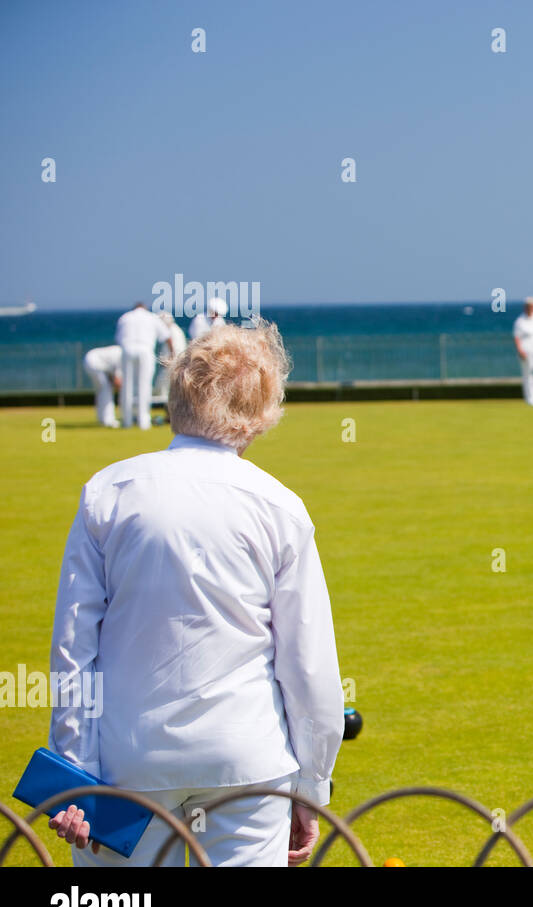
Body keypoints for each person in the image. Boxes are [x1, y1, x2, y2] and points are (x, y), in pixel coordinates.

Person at [47, 320, 343, 867]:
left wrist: (72, 769)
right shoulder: (280, 507)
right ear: (259, 418)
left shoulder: (107, 493)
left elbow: (74, 650)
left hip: (126, 760)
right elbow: (309, 666)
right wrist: (311, 785)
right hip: (246, 761)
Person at [115, 302, 169, 430]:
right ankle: (143, 421)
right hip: (145, 350)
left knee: (127, 386)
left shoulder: (125, 317)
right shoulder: (151, 317)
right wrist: (171, 355)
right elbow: (167, 336)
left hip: (127, 350)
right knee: (144, 385)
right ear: (144, 308)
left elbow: (118, 338)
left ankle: (127, 421)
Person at [83, 345, 123, 428]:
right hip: (94, 362)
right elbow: (117, 382)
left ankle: (102, 418)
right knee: (106, 390)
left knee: (103, 391)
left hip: (90, 360)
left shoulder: (120, 351)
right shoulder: (122, 356)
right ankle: (108, 420)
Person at [154, 312, 187, 405]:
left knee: (165, 388)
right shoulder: (176, 330)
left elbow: (175, 349)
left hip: (171, 365)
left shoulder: (171, 332)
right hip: (175, 364)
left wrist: (168, 361)